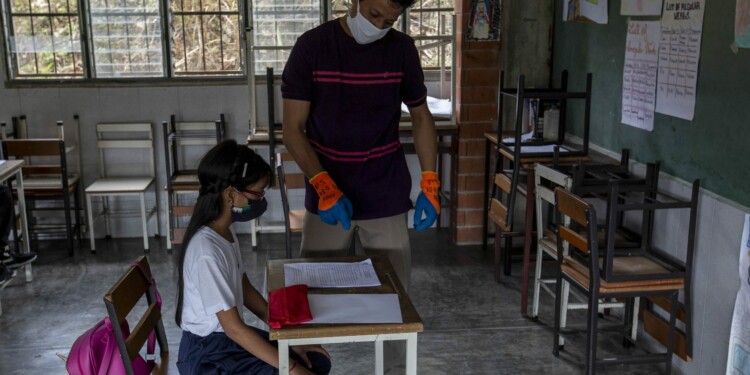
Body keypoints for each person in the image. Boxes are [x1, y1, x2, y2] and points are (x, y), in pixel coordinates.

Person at [281, 0, 439, 292]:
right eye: (374, 15)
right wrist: (323, 187)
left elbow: (421, 116)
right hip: (328, 192)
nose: (378, 27)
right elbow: (292, 130)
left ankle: (393, 340)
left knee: (395, 293)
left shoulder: (401, 49)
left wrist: (430, 182)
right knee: (316, 291)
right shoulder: (312, 47)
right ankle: (317, 341)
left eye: (388, 22)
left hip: (385, 191)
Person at [175, 140, 331, 375]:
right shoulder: (206, 250)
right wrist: (290, 367)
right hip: (208, 357)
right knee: (301, 371)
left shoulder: (223, 231)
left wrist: (289, 337)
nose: (259, 200)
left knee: (315, 360)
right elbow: (234, 329)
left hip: (224, 343)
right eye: (257, 193)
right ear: (230, 195)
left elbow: (244, 288)